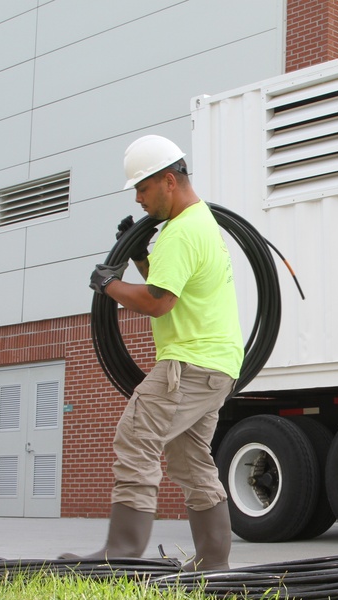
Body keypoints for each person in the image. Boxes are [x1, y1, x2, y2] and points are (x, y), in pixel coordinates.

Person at [64, 135, 243, 571]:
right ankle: (212, 562)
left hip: (190, 361)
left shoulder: (182, 232)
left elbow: (160, 301)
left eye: (142, 188)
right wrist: (141, 256)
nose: (139, 198)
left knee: (136, 437)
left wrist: (109, 284)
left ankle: (121, 553)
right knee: (190, 458)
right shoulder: (199, 224)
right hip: (215, 364)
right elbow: (170, 286)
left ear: (168, 180)